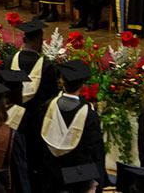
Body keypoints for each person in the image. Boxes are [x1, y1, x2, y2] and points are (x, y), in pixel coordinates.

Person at [39, 61, 107, 191]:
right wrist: (98, 180)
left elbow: (38, 141)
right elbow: (96, 151)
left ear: (62, 81)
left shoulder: (47, 106)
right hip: (78, 178)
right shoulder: (89, 114)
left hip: (51, 175)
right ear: (82, 85)